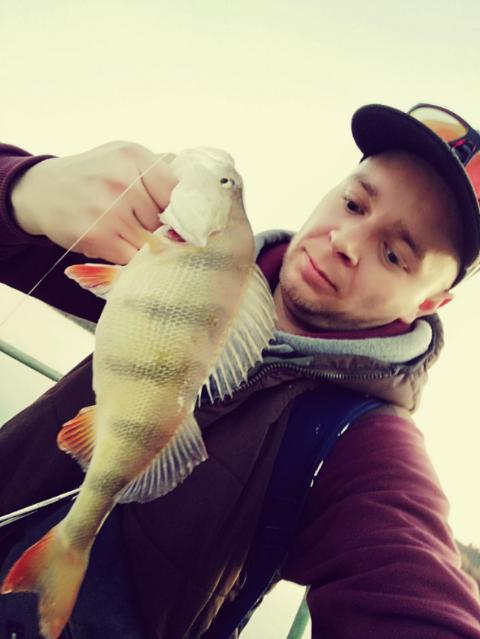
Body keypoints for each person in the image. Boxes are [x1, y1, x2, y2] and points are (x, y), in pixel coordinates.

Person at [0, 103, 479, 638]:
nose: (345, 242)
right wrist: (24, 190)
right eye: (353, 203)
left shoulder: (365, 445)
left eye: (393, 255)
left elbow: (414, 590)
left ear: (429, 303)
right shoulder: (174, 265)